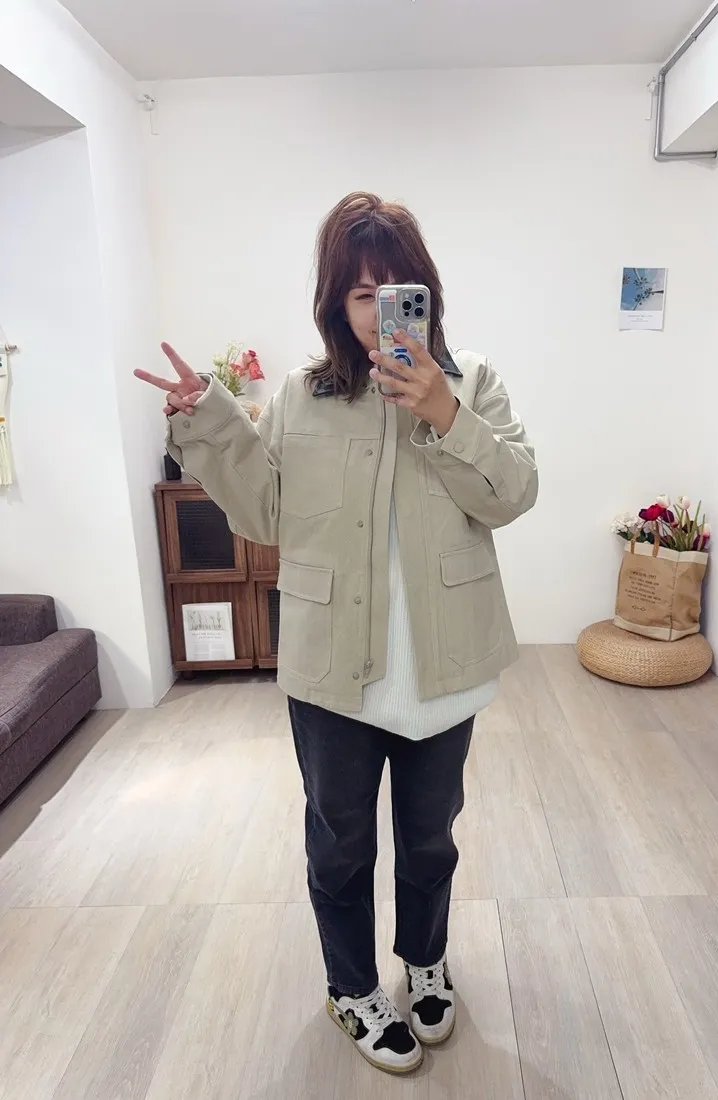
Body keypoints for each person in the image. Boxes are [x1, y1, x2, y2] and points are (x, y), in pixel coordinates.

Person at [136, 192, 538, 1076]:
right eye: (362, 293)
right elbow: (264, 514)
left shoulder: (472, 380)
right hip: (331, 667)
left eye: (398, 290)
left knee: (429, 838)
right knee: (340, 840)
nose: (380, 309)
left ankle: (424, 962)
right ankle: (351, 986)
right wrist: (209, 419)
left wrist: (444, 412)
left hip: (441, 664)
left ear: (425, 293)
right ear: (334, 302)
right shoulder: (302, 393)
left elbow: (512, 494)